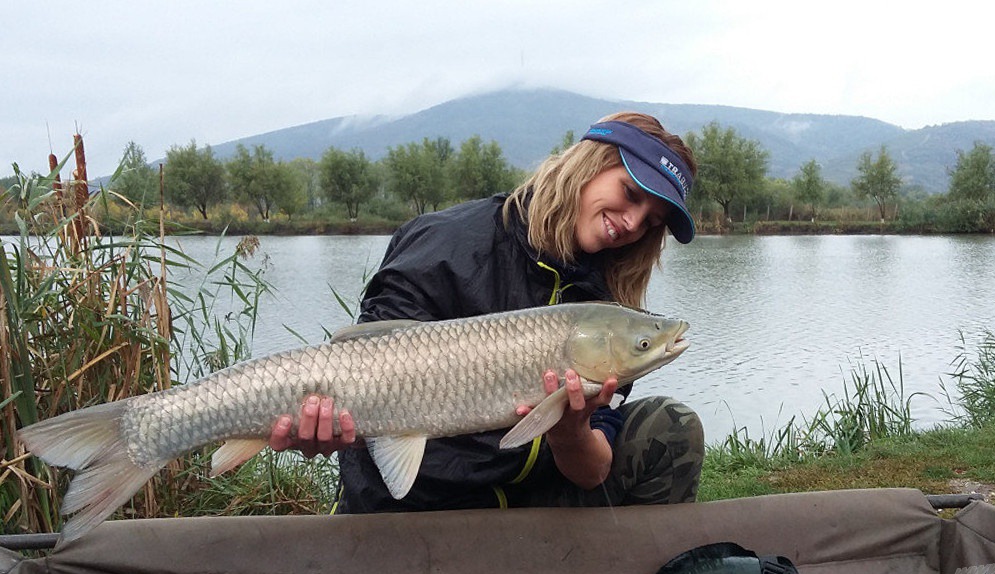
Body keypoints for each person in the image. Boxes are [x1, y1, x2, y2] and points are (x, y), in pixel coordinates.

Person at [270, 112, 705, 513]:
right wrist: (328, 425)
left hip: (525, 501)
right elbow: (367, 362)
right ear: (587, 166)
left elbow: (591, 473)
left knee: (671, 428)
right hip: (415, 501)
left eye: (651, 222)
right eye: (630, 194)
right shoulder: (450, 242)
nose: (632, 224)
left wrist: (569, 430)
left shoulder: (608, 316)